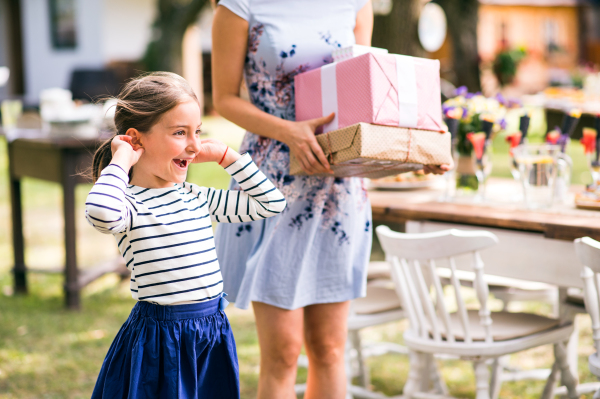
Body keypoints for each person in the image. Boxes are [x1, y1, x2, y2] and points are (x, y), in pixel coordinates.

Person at [85, 72, 286, 399]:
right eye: (180, 133)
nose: (194, 146)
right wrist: (121, 158)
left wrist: (228, 157)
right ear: (137, 139)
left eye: (197, 133)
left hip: (211, 332)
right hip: (161, 340)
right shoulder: (130, 205)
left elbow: (271, 203)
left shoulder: (194, 196)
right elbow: (101, 213)